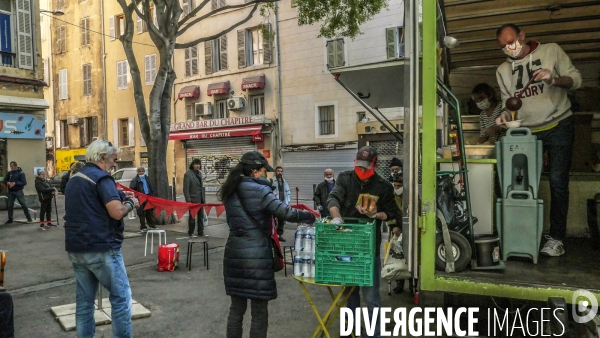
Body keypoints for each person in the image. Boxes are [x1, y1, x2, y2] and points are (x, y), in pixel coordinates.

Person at [495, 23, 581, 257]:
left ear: (522, 36)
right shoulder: (503, 70)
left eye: (511, 42)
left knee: (557, 181)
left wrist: (553, 79)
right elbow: (508, 102)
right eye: (503, 46)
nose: (508, 48)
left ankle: (557, 238)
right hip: (527, 132)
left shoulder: (551, 51)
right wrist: (505, 115)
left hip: (559, 123)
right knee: (520, 184)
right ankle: (522, 232)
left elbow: (576, 79)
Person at [218, 151, 316, 338]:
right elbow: (285, 212)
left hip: (234, 254)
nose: (266, 174)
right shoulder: (261, 191)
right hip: (257, 256)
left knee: (236, 309)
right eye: (264, 170)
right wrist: (308, 215)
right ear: (255, 172)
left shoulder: (230, 189)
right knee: (259, 312)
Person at [64, 139, 140, 338]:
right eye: (114, 159)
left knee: (84, 303)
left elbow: (89, 207)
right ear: (103, 157)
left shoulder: (74, 179)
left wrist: (116, 196)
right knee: (121, 299)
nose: (115, 163)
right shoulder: (102, 179)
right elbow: (116, 212)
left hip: (76, 247)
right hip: (101, 247)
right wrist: (131, 203)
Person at [327, 146, 400, 338]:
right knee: (349, 293)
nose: (362, 171)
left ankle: (374, 333)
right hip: (346, 247)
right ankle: (350, 332)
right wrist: (336, 217)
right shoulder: (345, 178)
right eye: (359, 166)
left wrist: (375, 214)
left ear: (375, 165)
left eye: (366, 168)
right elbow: (333, 198)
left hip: (368, 250)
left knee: (371, 295)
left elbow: (393, 213)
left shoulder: (383, 186)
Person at [388, 173, 405, 294]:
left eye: (399, 185)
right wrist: (394, 227)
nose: (397, 188)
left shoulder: (412, 195)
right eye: (395, 185)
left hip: (409, 230)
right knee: (397, 257)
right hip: (396, 230)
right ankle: (400, 282)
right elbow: (389, 212)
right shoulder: (391, 197)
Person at [129, 167, 157, 233]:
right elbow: (132, 190)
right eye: (140, 171)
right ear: (137, 172)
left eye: (142, 171)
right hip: (140, 199)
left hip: (148, 197)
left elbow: (149, 186)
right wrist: (136, 199)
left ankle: (152, 225)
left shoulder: (147, 178)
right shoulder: (135, 180)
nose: (141, 172)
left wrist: (151, 195)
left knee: (150, 212)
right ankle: (143, 226)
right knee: (141, 213)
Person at [184, 159, 207, 237]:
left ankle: (201, 232)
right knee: (192, 217)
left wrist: (203, 198)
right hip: (193, 199)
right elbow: (186, 189)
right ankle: (191, 232)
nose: (198, 166)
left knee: (201, 217)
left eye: (199, 164)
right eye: (196, 164)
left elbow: (201, 187)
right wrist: (188, 200)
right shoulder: (188, 174)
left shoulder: (199, 174)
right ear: (193, 165)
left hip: (200, 199)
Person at [270, 166, 291, 242]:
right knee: (273, 221)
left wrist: (287, 202)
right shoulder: (272, 181)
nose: (280, 172)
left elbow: (288, 192)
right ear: (275, 172)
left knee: (281, 221)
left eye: (281, 171)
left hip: (283, 204)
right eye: (278, 171)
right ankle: (273, 235)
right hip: (275, 204)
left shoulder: (284, 182)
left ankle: (279, 235)